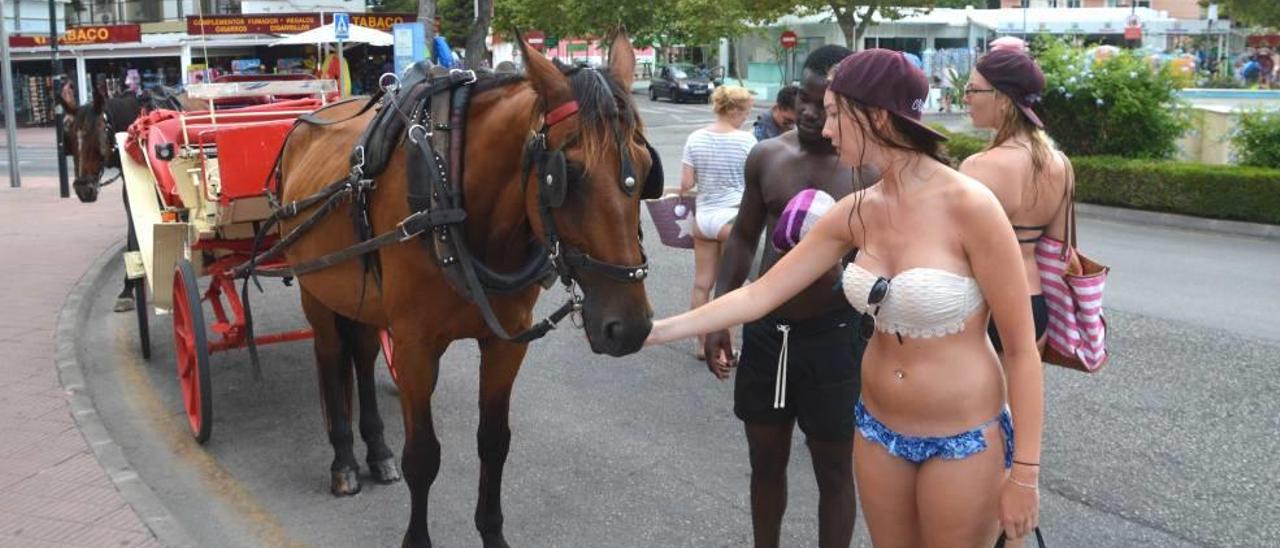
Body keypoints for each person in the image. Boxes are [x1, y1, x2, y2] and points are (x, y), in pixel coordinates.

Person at [648, 49, 1045, 546]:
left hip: (962, 437)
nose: (824, 126)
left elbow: (1023, 351)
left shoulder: (970, 205)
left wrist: (1025, 473)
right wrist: (656, 332)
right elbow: (763, 293)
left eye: (835, 113)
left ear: (876, 116)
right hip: (877, 429)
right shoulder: (856, 210)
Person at [702, 44, 874, 548]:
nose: (807, 111)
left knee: (835, 472)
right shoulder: (768, 155)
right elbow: (741, 239)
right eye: (803, 96)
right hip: (767, 334)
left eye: (823, 104)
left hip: (836, 337)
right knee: (765, 465)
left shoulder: (866, 172)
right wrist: (718, 317)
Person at [960, 49, 1072, 359]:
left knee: (977, 407)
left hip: (983, 305)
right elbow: (1058, 246)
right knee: (1022, 403)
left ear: (1003, 98)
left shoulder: (978, 166)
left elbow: (956, 249)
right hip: (1035, 303)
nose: (966, 97)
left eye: (972, 89)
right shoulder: (1059, 163)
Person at [681, 85, 757, 359]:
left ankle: (701, 346)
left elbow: (686, 184)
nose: (746, 117)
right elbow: (756, 184)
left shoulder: (695, 138)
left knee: (702, 284)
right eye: (746, 111)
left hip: (703, 219)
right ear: (734, 110)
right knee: (731, 288)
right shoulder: (747, 142)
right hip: (732, 218)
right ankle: (727, 349)